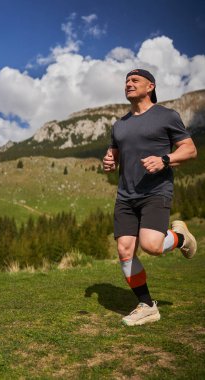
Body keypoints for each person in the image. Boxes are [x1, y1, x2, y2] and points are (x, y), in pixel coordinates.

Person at [103, 69, 197, 326]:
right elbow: (115, 156)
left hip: (155, 192)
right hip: (125, 195)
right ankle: (146, 305)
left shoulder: (166, 116)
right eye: (126, 81)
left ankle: (179, 238)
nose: (128, 84)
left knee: (152, 245)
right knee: (124, 250)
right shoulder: (119, 125)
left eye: (135, 81)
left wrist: (165, 159)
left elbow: (189, 150)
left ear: (150, 86)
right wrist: (110, 161)